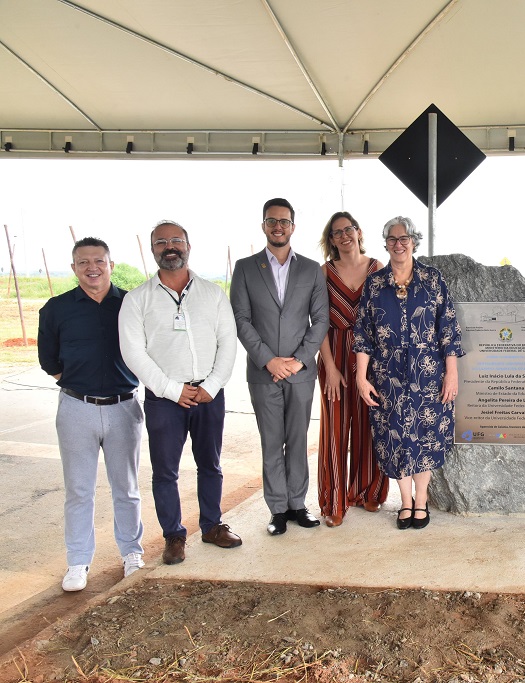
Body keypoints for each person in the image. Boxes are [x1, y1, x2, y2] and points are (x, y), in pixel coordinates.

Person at [119, 221, 241, 565]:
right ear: (152, 249)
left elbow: (227, 343)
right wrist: (173, 390)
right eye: (161, 242)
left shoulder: (212, 293)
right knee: (165, 472)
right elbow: (133, 352)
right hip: (164, 400)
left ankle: (213, 526)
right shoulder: (137, 299)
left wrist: (211, 386)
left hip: (208, 395)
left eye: (176, 240)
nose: (169, 246)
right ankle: (173, 536)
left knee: (210, 465)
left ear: (188, 246)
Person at [37, 238, 145, 591]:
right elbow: (49, 360)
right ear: (74, 268)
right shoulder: (56, 309)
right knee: (79, 490)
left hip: (124, 408)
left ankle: (131, 553)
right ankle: (78, 562)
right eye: (83, 262)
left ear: (110, 265)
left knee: (126, 488)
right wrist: (78, 386)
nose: (91, 267)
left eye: (99, 260)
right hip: (76, 408)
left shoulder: (131, 303)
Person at [353, 216, 464, 530]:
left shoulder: (432, 279)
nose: (398, 244)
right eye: (392, 239)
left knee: (425, 438)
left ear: (414, 241)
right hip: (387, 378)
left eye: (404, 239)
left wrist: (452, 373)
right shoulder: (375, 284)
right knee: (395, 437)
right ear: (385, 243)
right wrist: (361, 378)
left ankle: (421, 499)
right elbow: (363, 334)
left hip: (428, 375)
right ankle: (404, 501)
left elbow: (449, 329)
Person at [231, 198, 329, 536]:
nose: (278, 226)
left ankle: (298, 504)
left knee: (297, 440)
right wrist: (268, 360)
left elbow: (320, 321)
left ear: (292, 227)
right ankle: (277, 510)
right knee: (272, 443)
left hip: (300, 372)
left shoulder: (311, 269)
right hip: (263, 372)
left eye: (284, 221)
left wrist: (298, 360)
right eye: (272, 221)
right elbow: (241, 319)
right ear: (263, 226)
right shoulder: (245, 268)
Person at [316, 212, 388, 527]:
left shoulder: (377, 269)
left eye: (349, 229)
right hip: (334, 354)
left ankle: (367, 491)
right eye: (337, 233)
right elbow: (317, 323)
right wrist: (330, 367)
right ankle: (334, 501)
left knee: (368, 424)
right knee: (334, 429)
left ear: (358, 232)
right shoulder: (323, 272)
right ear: (331, 240)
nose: (345, 236)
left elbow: (384, 320)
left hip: (370, 359)